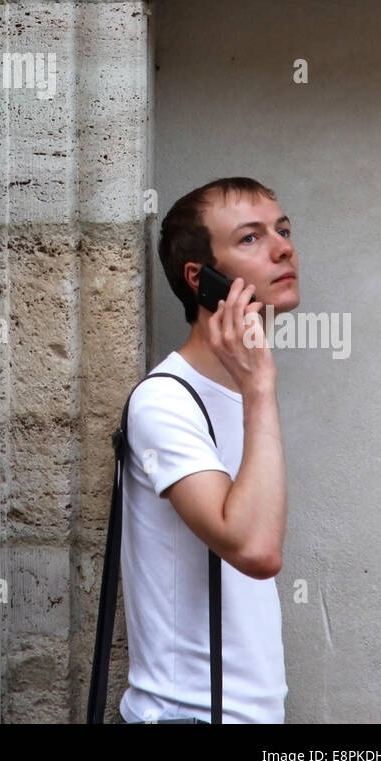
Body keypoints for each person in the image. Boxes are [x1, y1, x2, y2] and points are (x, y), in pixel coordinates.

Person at [119, 176, 298, 724]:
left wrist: (253, 389)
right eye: (250, 238)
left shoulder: (240, 391)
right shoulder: (165, 403)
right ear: (201, 279)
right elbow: (255, 551)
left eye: (282, 229)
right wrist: (260, 390)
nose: (283, 246)